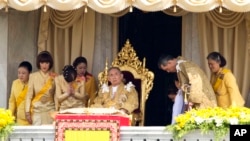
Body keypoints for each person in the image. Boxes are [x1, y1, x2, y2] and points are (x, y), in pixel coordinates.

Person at [25, 51, 57, 125]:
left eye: (47, 63)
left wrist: (58, 110)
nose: (44, 65)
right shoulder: (33, 76)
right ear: (39, 63)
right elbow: (29, 95)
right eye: (42, 62)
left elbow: (56, 95)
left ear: (50, 63)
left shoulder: (55, 77)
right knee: (37, 135)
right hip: (37, 111)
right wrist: (27, 112)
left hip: (50, 110)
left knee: (51, 135)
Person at [8, 61, 32, 125]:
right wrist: (10, 116)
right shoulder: (15, 83)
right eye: (19, 73)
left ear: (29, 73)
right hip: (19, 118)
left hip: (31, 118)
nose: (20, 75)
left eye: (23, 73)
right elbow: (12, 102)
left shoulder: (33, 83)